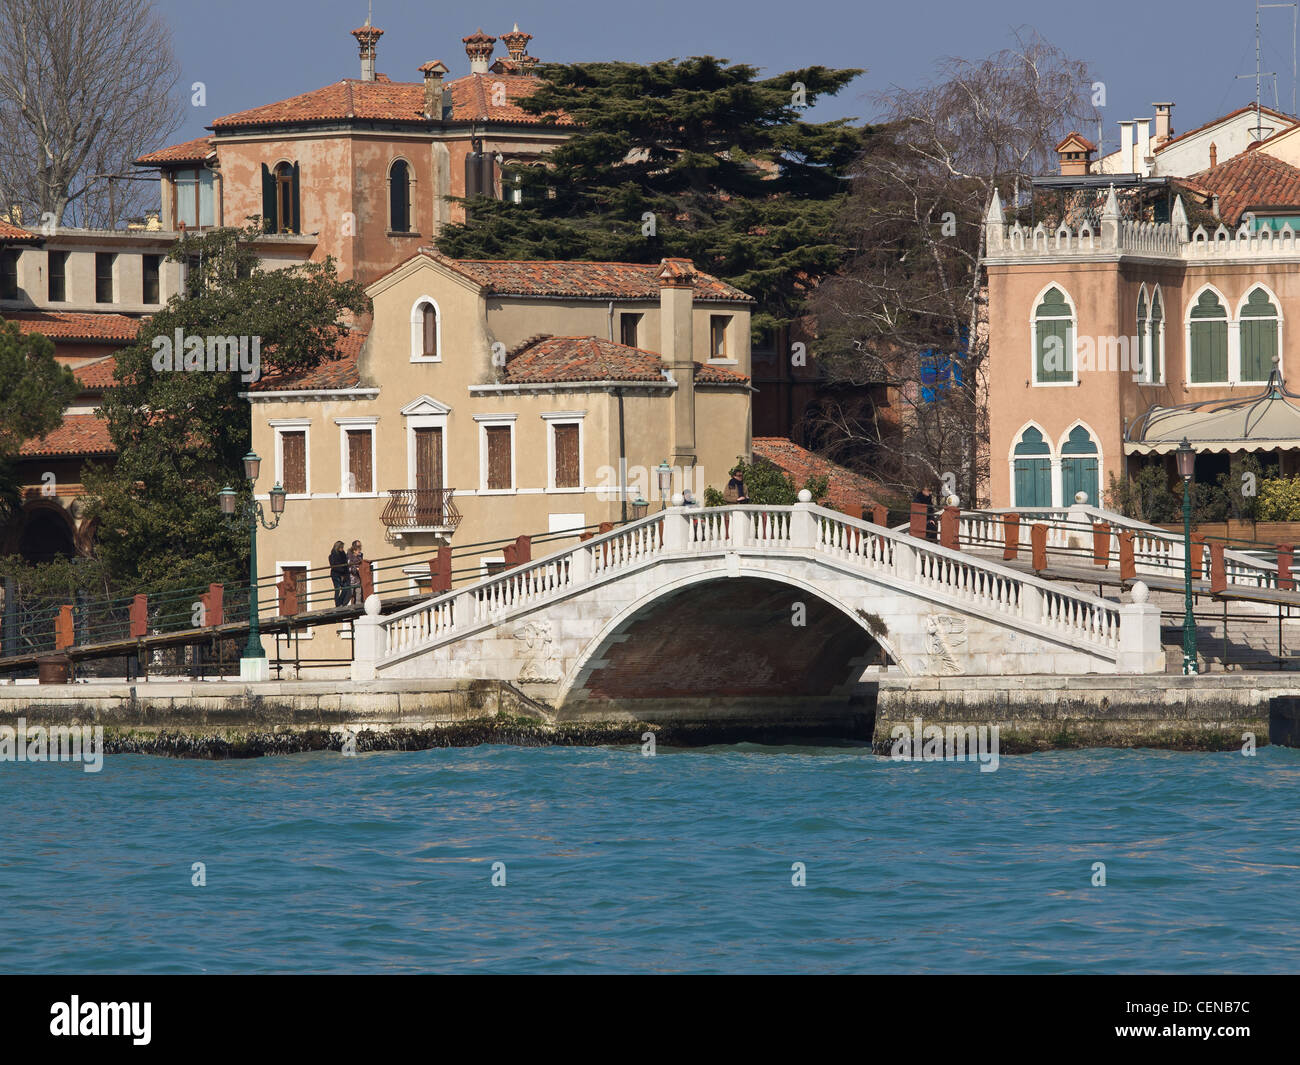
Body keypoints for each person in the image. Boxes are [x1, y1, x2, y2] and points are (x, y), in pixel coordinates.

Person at [329, 541, 350, 607]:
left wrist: (344, 574)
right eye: (341, 547)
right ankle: (337, 604)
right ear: (338, 547)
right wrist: (341, 573)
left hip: (343, 574)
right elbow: (334, 566)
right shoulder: (332, 555)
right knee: (337, 589)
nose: (343, 549)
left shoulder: (343, 554)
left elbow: (345, 564)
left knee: (345, 588)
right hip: (335, 575)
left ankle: (340, 602)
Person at [347, 540, 365, 605]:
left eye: (360, 546)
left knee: (358, 593)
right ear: (354, 550)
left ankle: (358, 606)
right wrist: (356, 569)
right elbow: (349, 567)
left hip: (358, 578)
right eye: (358, 547)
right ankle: (349, 606)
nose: (360, 550)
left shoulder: (360, 556)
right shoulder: (349, 556)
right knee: (350, 594)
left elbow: (361, 564)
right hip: (351, 578)